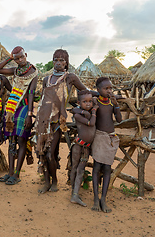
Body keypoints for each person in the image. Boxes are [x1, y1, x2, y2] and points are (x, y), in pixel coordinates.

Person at [36, 49, 91, 193]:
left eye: (61, 60)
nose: (58, 63)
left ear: (66, 63)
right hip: (42, 120)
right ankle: (47, 182)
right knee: (42, 153)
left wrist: (105, 96)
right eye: (55, 60)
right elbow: (43, 99)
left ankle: (54, 181)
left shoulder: (70, 78)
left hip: (56, 121)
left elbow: (85, 92)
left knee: (50, 153)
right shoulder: (46, 79)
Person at [0, 46, 38, 185]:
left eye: (21, 57)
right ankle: (10, 173)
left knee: (21, 141)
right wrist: (10, 57)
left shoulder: (33, 72)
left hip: (24, 108)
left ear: (26, 54)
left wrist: (30, 114)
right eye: (17, 59)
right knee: (11, 141)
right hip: (12, 107)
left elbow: (31, 93)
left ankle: (17, 174)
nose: (20, 60)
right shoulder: (15, 70)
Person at [91, 77, 122, 213]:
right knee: (97, 167)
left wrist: (116, 104)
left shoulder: (111, 103)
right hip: (99, 137)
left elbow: (119, 120)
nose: (109, 91)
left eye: (111, 88)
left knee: (108, 168)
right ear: (98, 90)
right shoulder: (95, 102)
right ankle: (95, 198)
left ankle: (103, 198)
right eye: (106, 88)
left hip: (110, 137)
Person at [69, 90, 98, 206]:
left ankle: (75, 193)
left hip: (86, 147)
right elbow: (91, 123)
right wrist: (94, 111)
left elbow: (97, 97)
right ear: (79, 102)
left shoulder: (87, 111)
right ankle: (73, 193)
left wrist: (93, 106)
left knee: (80, 170)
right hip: (78, 145)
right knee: (74, 168)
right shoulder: (77, 115)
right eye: (84, 102)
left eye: (90, 102)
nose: (88, 104)